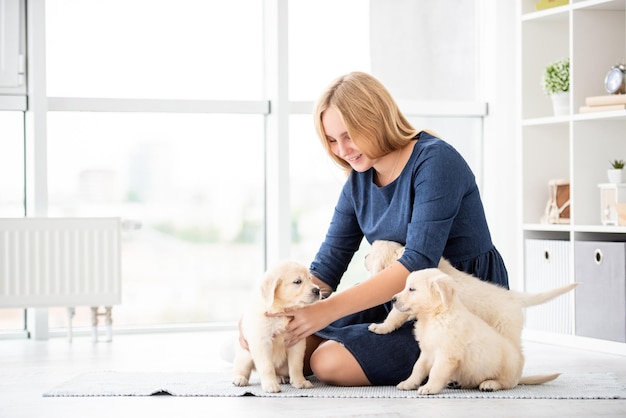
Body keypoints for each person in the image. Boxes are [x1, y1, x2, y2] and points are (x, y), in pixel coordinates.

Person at [242, 71, 509, 387]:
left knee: (325, 362)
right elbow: (326, 269)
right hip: (397, 296)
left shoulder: (436, 161)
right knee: (280, 348)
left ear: (375, 120)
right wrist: (264, 312)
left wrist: (323, 312)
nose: (342, 150)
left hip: (455, 301)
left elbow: (417, 262)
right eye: (331, 140)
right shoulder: (359, 180)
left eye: (349, 135)